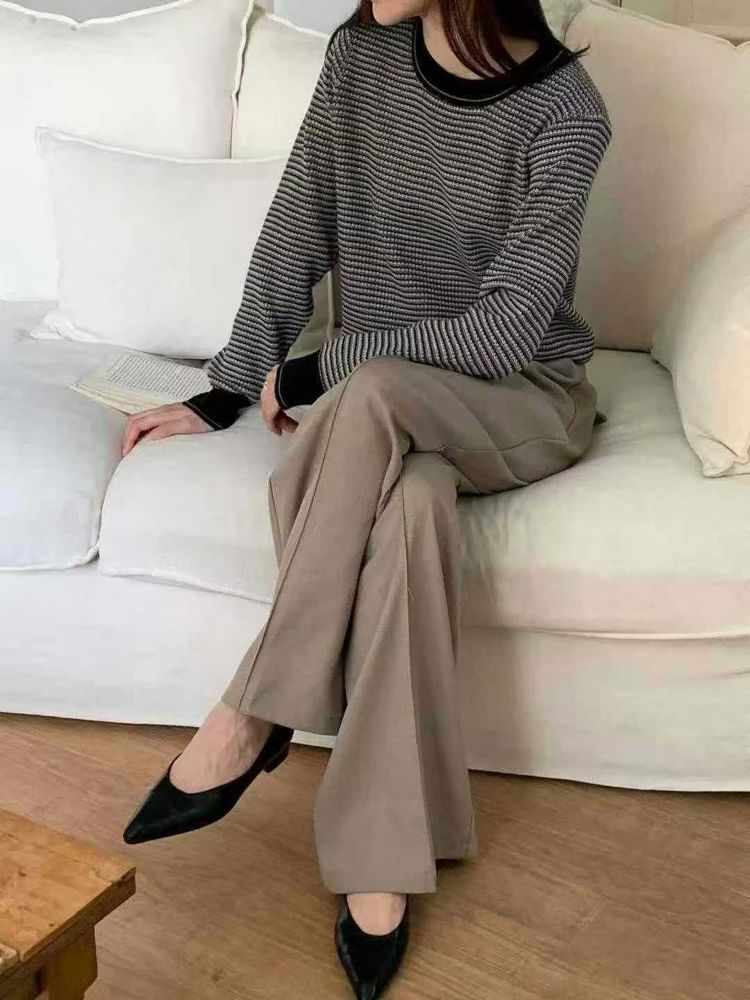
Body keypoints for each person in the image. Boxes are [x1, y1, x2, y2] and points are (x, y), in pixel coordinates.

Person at [119, 0, 612, 996]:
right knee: (414, 506)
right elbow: (296, 225)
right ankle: (381, 855)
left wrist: (323, 368)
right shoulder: (360, 60)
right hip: (385, 417)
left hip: (521, 398)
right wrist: (230, 385)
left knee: (376, 390)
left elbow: (505, 332)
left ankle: (253, 709)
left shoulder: (567, 108)